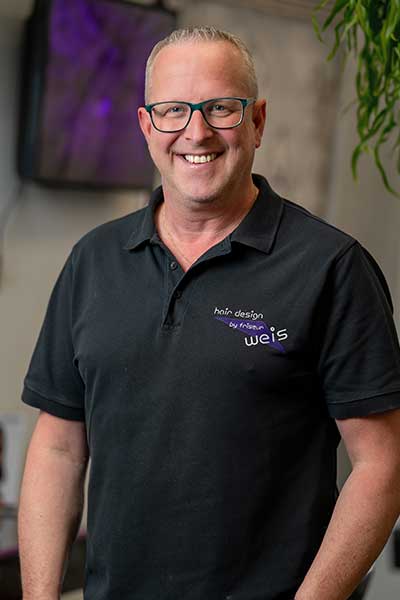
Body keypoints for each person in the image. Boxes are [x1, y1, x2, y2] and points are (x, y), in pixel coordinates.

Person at [18, 26, 400, 600]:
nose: (196, 132)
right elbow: (58, 448)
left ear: (257, 121)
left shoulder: (332, 267)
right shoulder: (92, 260)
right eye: (173, 110)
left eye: (221, 108)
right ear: (146, 126)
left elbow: (382, 466)